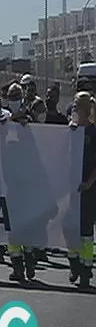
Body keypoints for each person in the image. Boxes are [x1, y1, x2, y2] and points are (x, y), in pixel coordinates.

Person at [69, 92, 95, 288]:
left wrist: (89, 182)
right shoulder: (73, 131)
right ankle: (75, 265)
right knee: (69, 227)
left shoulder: (93, 133)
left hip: (88, 189)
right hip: (72, 189)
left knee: (86, 232)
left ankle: (86, 269)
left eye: (77, 106)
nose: (74, 110)